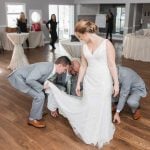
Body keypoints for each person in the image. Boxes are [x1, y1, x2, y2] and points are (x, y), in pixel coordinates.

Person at [44, 20, 119, 148]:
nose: (80, 39)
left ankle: (100, 131)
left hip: (103, 80)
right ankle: (90, 129)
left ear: (85, 33)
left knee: (101, 105)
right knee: (90, 104)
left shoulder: (107, 44)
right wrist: (78, 83)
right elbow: (83, 65)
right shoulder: (84, 46)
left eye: (80, 36)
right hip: (89, 80)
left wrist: (116, 83)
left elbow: (112, 65)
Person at [8, 56, 71, 128]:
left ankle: (38, 112)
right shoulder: (45, 68)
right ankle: (32, 119)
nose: (64, 71)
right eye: (65, 69)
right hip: (20, 78)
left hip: (27, 78)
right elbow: (29, 80)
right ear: (60, 65)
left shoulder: (52, 68)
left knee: (44, 93)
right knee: (40, 96)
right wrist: (42, 87)